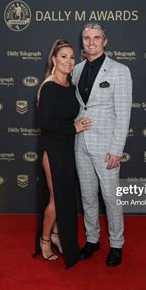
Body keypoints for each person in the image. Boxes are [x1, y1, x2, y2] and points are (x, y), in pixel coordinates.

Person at [72, 23, 132, 267]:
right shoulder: (75, 70)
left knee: (110, 198)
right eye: (87, 38)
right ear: (83, 42)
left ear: (105, 41)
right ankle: (92, 239)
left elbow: (124, 113)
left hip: (106, 146)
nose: (91, 42)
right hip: (80, 144)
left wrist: (117, 150)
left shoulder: (120, 71)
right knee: (87, 197)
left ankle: (116, 245)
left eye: (97, 38)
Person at [34, 39, 92, 268]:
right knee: (57, 198)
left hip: (68, 147)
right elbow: (45, 123)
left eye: (72, 57)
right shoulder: (48, 87)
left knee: (63, 196)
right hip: (53, 148)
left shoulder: (70, 85)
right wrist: (74, 128)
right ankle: (45, 241)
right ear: (54, 60)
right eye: (63, 57)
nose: (69, 62)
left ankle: (57, 235)